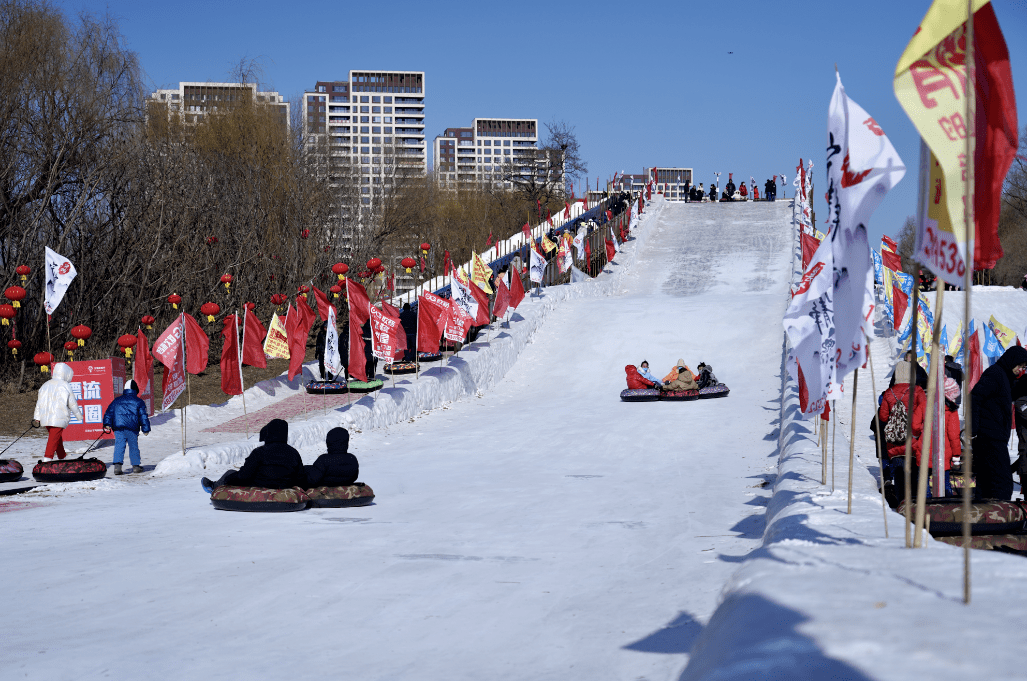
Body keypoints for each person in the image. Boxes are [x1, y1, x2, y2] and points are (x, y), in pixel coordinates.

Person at [971, 345, 1027, 500]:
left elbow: (1013, 391)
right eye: (1020, 366)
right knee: (1002, 482)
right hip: (989, 437)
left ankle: (984, 518)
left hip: (995, 437)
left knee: (986, 481)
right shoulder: (995, 374)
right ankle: (999, 517)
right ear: (1013, 361)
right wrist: (974, 429)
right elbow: (974, 397)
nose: (1020, 370)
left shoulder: (1005, 377)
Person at [201, 419, 305, 492]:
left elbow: (244, 475)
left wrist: (229, 479)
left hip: (260, 485)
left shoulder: (260, 452)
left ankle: (214, 487)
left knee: (230, 473)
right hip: (284, 486)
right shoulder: (293, 453)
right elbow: (300, 477)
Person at [877, 359, 926, 503]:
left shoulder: (889, 393)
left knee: (899, 475)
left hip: (895, 441)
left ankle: (902, 505)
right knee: (915, 474)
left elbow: (883, 416)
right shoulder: (917, 391)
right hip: (914, 439)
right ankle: (915, 504)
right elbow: (924, 412)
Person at [31, 362, 82, 462]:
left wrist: (37, 417)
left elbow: (39, 402)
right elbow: (72, 403)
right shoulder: (65, 385)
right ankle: (47, 459)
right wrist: (78, 415)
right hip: (59, 416)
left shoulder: (45, 385)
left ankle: (62, 457)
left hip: (46, 417)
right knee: (53, 439)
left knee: (56, 438)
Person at [101, 379, 151, 475]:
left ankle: (117, 467)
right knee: (133, 446)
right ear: (135, 389)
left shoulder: (117, 400)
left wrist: (107, 424)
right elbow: (143, 416)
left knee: (119, 445)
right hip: (132, 428)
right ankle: (136, 466)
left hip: (119, 428)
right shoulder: (138, 401)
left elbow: (109, 413)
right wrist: (145, 429)